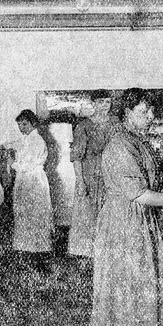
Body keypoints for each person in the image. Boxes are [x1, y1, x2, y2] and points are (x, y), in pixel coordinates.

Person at [91, 88, 163, 326]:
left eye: (151, 110)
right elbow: (138, 193)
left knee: (146, 280)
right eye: (144, 111)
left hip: (141, 219)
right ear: (127, 112)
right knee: (131, 283)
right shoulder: (120, 145)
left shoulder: (137, 140)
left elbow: (152, 177)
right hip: (125, 222)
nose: (151, 116)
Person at [7, 109, 55, 275]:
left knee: (35, 218)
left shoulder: (37, 141)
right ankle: (28, 256)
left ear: (33, 123)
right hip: (26, 181)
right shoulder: (27, 139)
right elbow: (15, 144)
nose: (21, 127)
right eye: (19, 124)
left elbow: (26, 165)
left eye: (25, 124)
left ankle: (38, 259)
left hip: (34, 182)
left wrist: (12, 163)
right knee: (25, 217)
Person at [68, 90, 112, 259]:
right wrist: (80, 181)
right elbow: (77, 157)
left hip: (110, 176)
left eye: (107, 102)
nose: (105, 106)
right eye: (101, 102)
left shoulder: (115, 124)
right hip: (89, 177)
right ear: (93, 104)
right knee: (87, 217)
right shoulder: (84, 126)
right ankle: (88, 255)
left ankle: (106, 253)